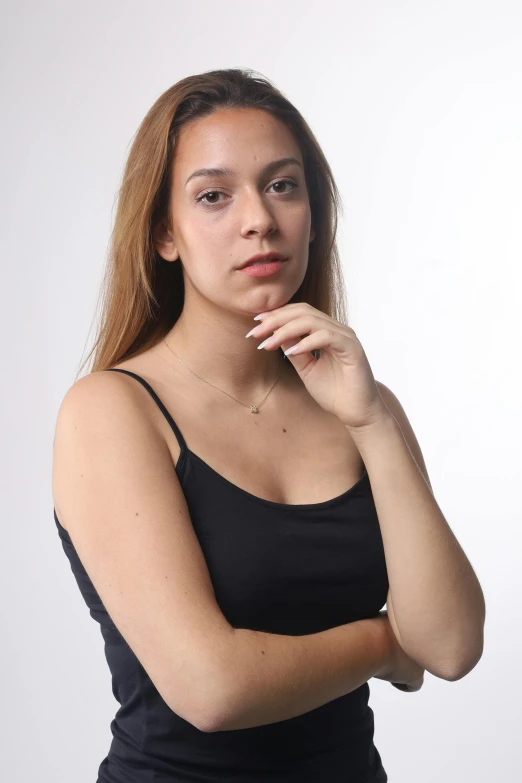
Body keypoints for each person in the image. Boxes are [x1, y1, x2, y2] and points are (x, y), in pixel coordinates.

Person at [52, 68, 483, 782]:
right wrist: (382, 643)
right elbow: (209, 687)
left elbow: (452, 644)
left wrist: (371, 420)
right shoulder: (112, 411)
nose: (259, 218)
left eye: (283, 185)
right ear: (164, 232)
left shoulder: (364, 408)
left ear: (313, 212)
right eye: (214, 196)